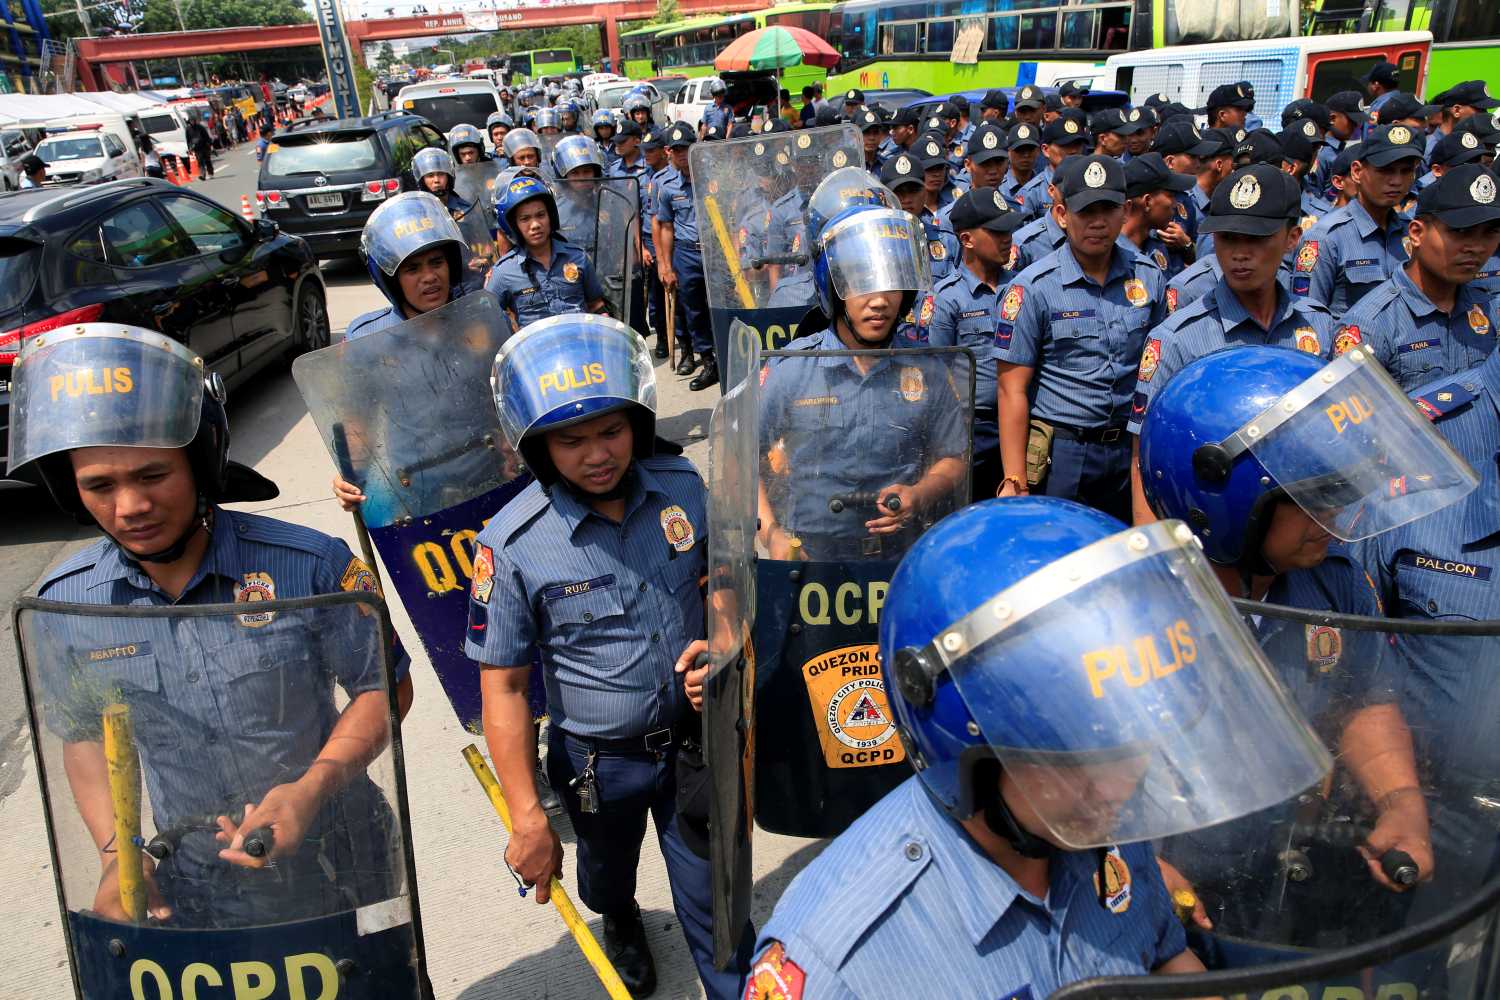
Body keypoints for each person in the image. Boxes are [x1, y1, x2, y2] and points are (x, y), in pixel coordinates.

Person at [746, 494, 1333, 998]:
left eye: (1134, 742)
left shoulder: (1096, 825)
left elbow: (1163, 956)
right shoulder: (837, 964)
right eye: (1072, 754)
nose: (1121, 786)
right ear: (965, 742)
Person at [12, 324, 412, 928]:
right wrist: (117, 857)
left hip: (342, 854)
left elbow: (383, 686)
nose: (130, 507)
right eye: (100, 485)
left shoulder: (311, 566)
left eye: (152, 476)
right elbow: (83, 733)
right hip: (193, 880)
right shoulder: (69, 608)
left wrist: (313, 786)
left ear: (200, 465)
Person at [469, 315, 753, 999]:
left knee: (721, 910)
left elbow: (720, 578)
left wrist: (720, 641)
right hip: (599, 765)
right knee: (605, 875)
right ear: (538, 446)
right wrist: (527, 817)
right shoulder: (510, 546)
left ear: (636, 422)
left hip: (693, 746)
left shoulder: (681, 487)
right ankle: (619, 916)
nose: (597, 454)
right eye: (571, 440)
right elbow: (503, 689)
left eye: (611, 431)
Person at [1139, 346, 1457, 934]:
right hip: (1167, 890)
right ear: (1225, 504)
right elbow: (1080, 783)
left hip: (1280, 873)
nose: (1334, 519)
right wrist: (1134, 867)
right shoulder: (1137, 614)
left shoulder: (1330, 584)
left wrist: (1401, 803)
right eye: (1313, 500)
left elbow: (1361, 697)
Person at [757, 206, 968, 562]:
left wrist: (920, 494)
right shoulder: (795, 368)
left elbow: (953, 457)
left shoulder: (927, 370)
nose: (879, 301)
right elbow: (743, 459)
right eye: (861, 284)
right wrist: (771, 534)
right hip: (810, 557)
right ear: (835, 289)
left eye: (890, 286)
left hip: (901, 556)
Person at [995, 155, 1167, 520]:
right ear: (1061, 214)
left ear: (1125, 211)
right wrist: (1015, 479)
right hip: (1064, 454)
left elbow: (1158, 369)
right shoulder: (1034, 288)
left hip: (1128, 449)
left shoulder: (1149, 277)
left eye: (1108, 210)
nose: (1098, 223)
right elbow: (1012, 389)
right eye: (1086, 211)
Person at [1331, 164, 1500, 390]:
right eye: (1461, 232)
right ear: (1417, 233)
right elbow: (1353, 419)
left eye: (1490, 232)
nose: (1477, 247)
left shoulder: (1490, 310)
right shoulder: (1370, 326)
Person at [918, 187, 1025, 500]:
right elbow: (933, 374)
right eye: (996, 231)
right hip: (970, 430)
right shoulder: (946, 298)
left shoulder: (1023, 288)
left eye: (1009, 230)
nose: (1007, 238)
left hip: (1020, 425)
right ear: (966, 239)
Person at [1293, 125, 1425, 321]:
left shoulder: (1413, 233)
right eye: (1386, 170)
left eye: (1405, 171)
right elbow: (1308, 319)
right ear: (1356, 172)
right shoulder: (1325, 237)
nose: (1396, 181)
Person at [486, 174, 605, 330]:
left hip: (581, 347)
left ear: (551, 216)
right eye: (525, 218)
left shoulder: (578, 257)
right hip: (536, 352)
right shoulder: (503, 272)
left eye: (541, 215)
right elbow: (487, 319)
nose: (535, 224)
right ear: (514, 225)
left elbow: (596, 305)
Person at [655, 123, 718, 390]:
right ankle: (708, 361)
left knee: (720, 306)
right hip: (687, 252)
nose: (682, 155)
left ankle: (728, 357)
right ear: (670, 152)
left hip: (716, 252)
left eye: (686, 148)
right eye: (677, 150)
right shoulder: (667, 186)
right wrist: (666, 265)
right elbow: (665, 227)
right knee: (693, 310)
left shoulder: (713, 177)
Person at [880, 151, 960, 285]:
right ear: (884, 197)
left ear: (924, 193)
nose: (906, 199)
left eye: (913, 191)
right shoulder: (874, 243)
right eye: (898, 192)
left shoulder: (947, 241)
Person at [1120, 153, 1195, 279]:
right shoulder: (1112, 254)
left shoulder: (1158, 246)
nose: (1175, 204)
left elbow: (1172, 294)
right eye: (1170, 195)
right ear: (1147, 202)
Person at [1316, 92, 1368, 194]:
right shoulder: (1322, 152)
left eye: (1358, 122)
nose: (1356, 126)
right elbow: (1313, 194)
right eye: (1352, 121)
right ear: (1332, 118)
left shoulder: (1342, 149)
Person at [411, 146, 472, 220]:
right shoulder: (416, 212)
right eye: (430, 176)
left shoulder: (466, 209)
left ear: (448, 177)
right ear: (422, 181)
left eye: (441, 174)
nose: (436, 180)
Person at [998, 122, 1040, 213]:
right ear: (1008, 152)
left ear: (1038, 151)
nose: (1026, 155)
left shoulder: (1045, 188)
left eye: (1030, 149)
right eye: (1019, 150)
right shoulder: (999, 187)